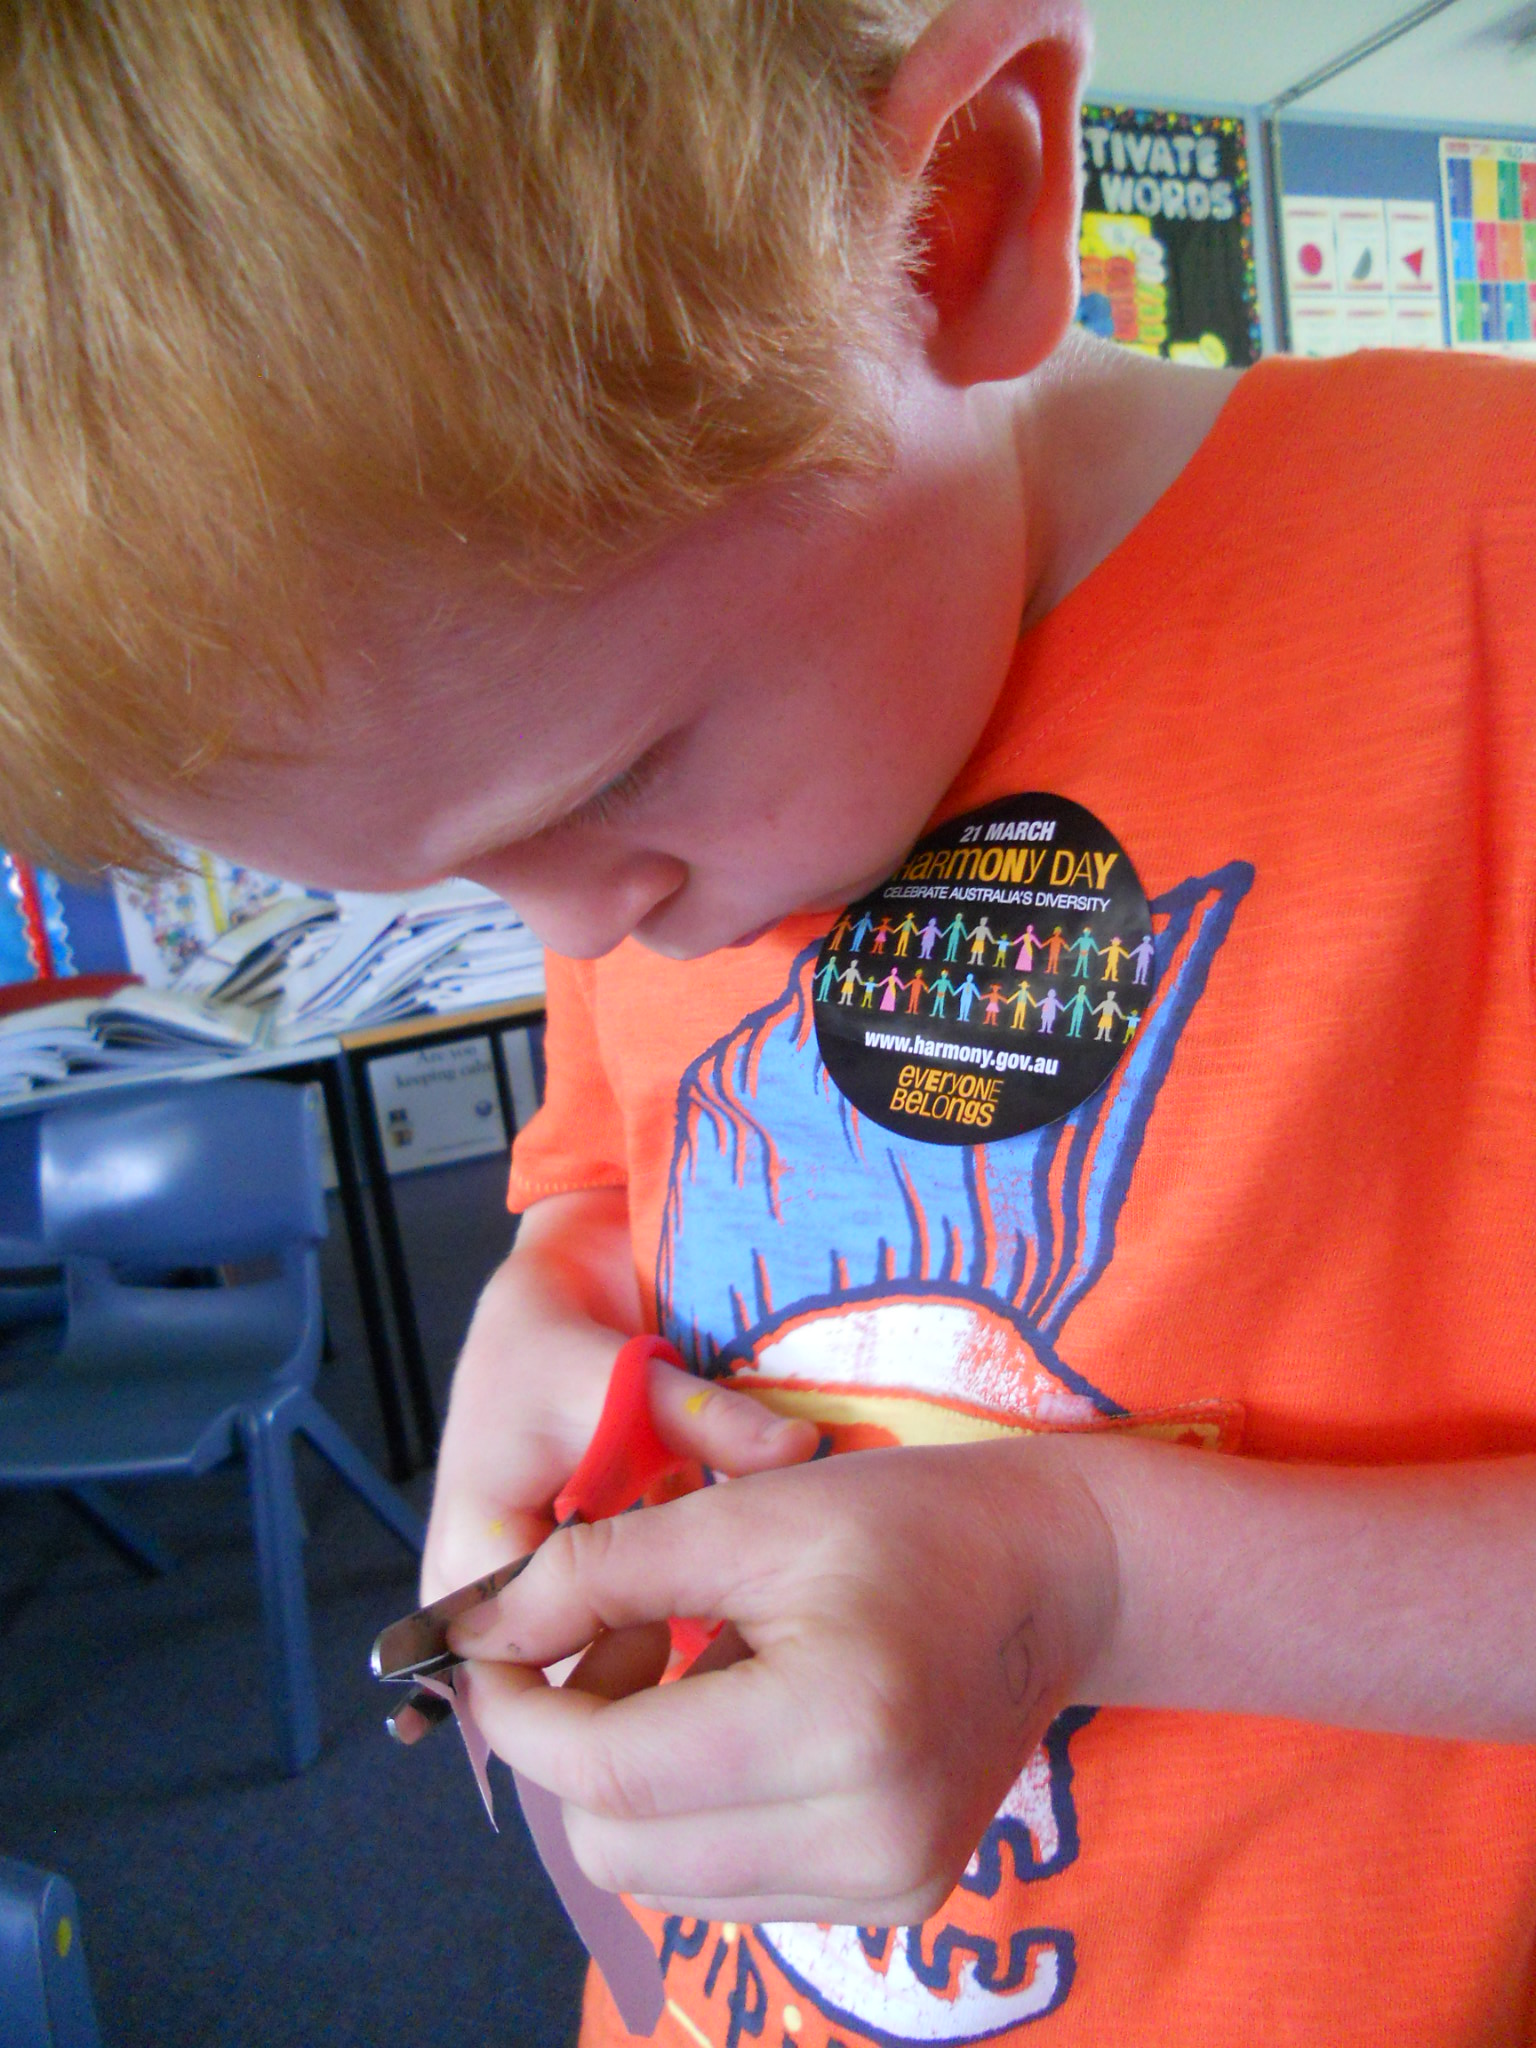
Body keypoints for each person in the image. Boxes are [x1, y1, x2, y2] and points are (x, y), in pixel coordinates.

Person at [0, 4, 1532, 2044]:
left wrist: (1101, 1577)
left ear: (954, 225)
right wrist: (538, 1328)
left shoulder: (1482, 578)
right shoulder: (612, 809)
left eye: (612, 777)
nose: (581, 927)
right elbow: (606, 1191)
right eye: (448, 878)